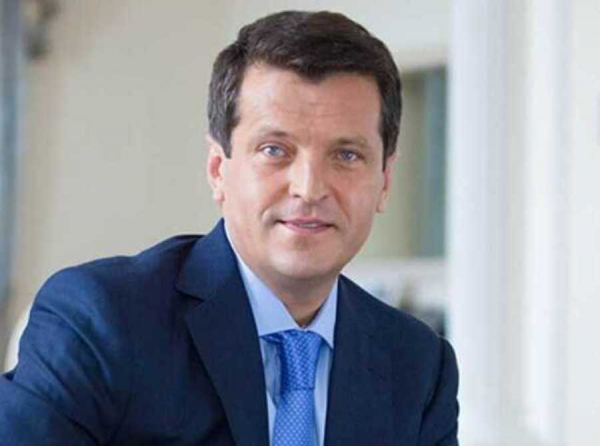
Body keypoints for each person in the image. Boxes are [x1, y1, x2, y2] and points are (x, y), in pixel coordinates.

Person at [0, 10, 458, 446]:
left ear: (384, 181)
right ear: (218, 169)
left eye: (347, 155)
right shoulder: (102, 320)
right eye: (275, 150)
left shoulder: (418, 366)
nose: (310, 188)